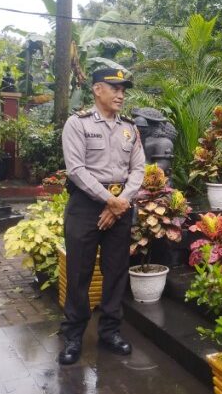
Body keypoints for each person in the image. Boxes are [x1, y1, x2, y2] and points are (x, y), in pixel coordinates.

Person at [58, 68, 145, 365]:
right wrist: (110, 200)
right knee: (79, 273)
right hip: (85, 206)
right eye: (114, 88)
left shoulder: (130, 128)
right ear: (97, 90)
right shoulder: (77, 124)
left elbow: (138, 170)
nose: (121, 94)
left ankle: (110, 332)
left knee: (116, 271)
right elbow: (76, 170)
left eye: (124, 89)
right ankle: (72, 336)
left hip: (120, 204)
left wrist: (120, 202)